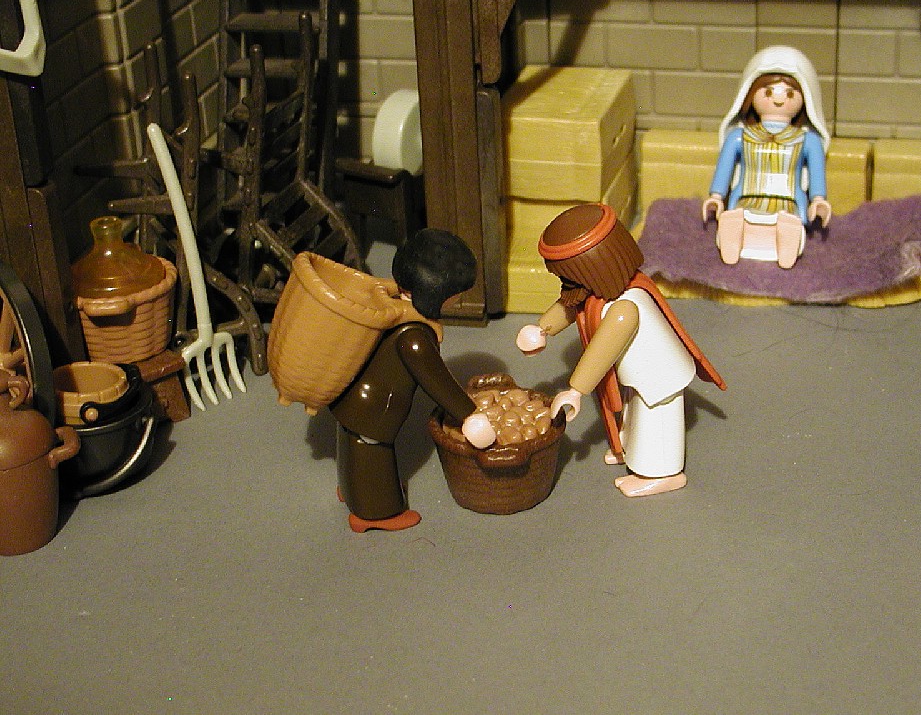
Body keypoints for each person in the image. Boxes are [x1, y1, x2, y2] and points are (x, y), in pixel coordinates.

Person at [516, 203, 724, 497]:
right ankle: (631, 450)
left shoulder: (624, 309)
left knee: (655, 422)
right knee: (635, 415)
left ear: (593, 267)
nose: (566, 285)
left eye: (568, 277)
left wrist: (576, 390)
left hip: (658, 377)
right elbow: (571, 304)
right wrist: (542, 329)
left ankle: (664, 473)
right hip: (638, 374)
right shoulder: (598, 292)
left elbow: (602, 350)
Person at [330, 229, 495, 532]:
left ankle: (352, 488)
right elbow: (437, 382)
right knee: (373, 452)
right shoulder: (415, 337)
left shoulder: (392, 306)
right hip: (375, 407)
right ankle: (374, 512)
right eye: (455, 294)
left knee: (352, 443)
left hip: (355, 395)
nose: (458, 299)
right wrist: (469, 415)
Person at [702, 45, 831, 269]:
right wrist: (716, 196)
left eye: (789, 93)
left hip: (789, 200)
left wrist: (818, 200)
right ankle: (733, 234)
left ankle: (787, 239)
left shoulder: (807, 141)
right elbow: (725, 167)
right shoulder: (739, 136)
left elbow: (816, 174)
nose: (779, 100)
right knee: (739, 215)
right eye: (768, 92)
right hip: (745, 197)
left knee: (788, 219)